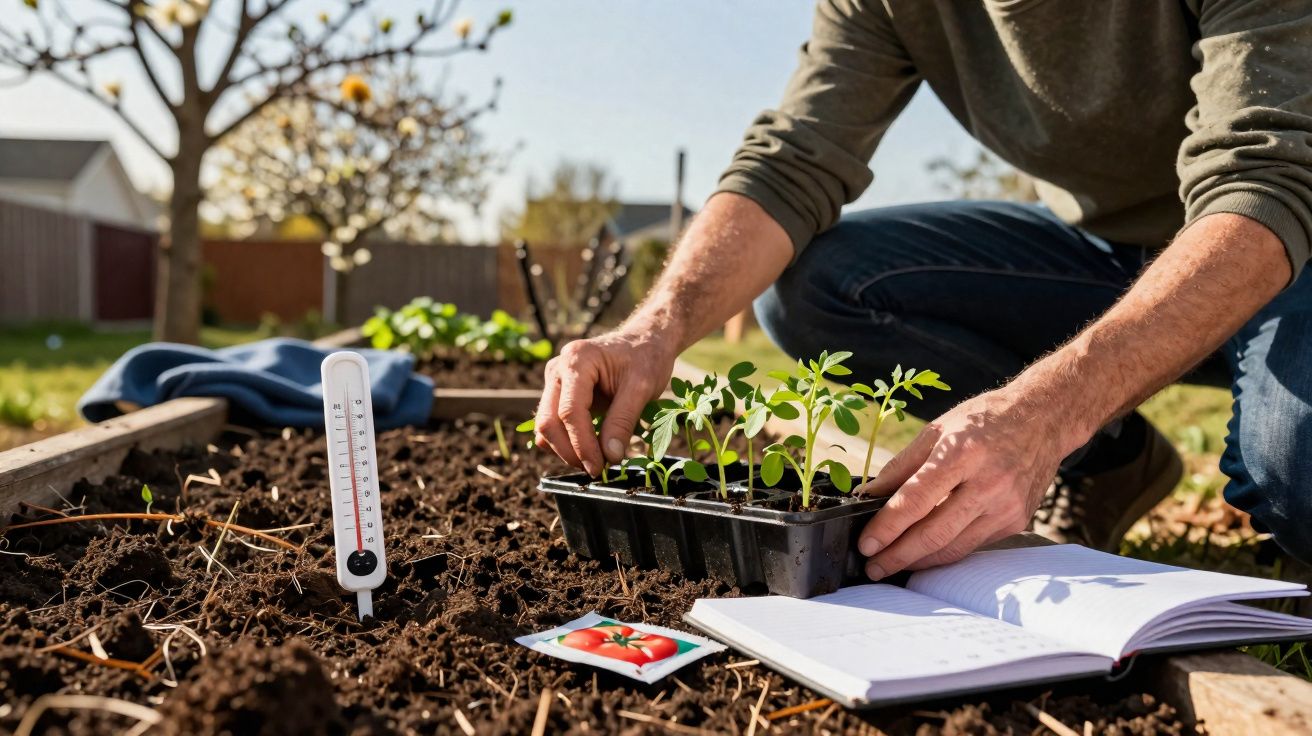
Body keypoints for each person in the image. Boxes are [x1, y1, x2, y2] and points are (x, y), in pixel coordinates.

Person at [532, 1, 1312, 578]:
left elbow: (1265, 181)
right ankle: (1109, 459)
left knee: (1292, 470)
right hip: (1110, 247)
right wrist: (654, 329)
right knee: (825, 285)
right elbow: (795, 160)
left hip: (1286, 235)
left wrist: (1044, 413)